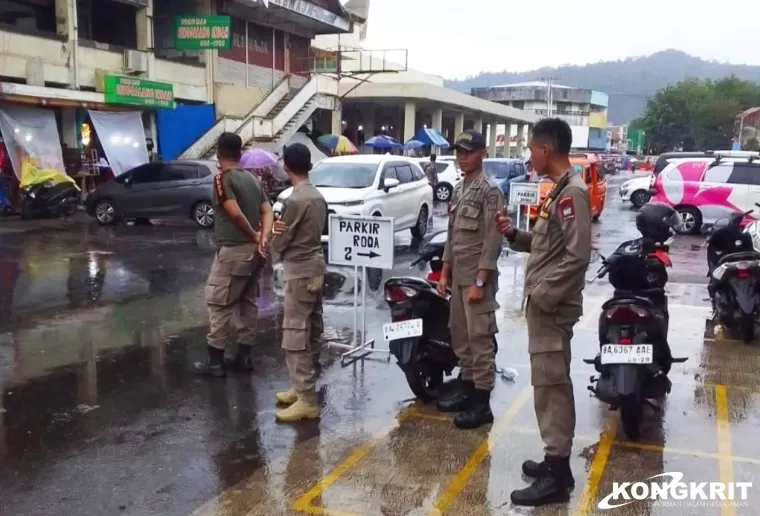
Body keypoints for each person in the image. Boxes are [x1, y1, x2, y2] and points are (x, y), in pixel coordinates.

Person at [495, 118, 592, 506]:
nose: (529, 155)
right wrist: (513, 235)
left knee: (552, 386)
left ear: (546, 150)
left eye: (532, 148)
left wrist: (543, 296)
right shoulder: (559, 191)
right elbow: (546, 244)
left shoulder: (574, 193)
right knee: (546, 383)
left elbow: (576, 255)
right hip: (545, 305)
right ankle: (556, 461)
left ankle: (557, 471)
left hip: (552, 307)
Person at [435, 130, 505, 429]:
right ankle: (466, 390)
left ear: (482, 153)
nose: (462, 156)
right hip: (459, 278)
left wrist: (480, 282)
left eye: (468, 151)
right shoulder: (461, 187)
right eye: (459, 151)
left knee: (480, 342)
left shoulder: (490, 191)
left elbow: (493, 241)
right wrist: (444, 273)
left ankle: (481, 404)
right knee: (461, 339)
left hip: (478, 280)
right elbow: (452, 237)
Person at [194, 132, 274, 377]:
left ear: (218, 153)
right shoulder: (252, 180)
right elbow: (268, 210)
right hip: (254, 253)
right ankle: (244, 355)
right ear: (240, 153)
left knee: (219, 303)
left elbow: (234, 212)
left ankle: (215, 362)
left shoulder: (222, 179)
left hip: (232, 251)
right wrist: (262, 238)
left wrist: (252, 235)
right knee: (246, 302)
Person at [270, 143, 327, 422]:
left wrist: (271, 235)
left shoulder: (294, 200)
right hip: (316, 267)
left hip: (299, 271)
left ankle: (306, 398)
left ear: (287, 167)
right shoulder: (317, 196)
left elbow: (281, 239)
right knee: (313, 329)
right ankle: (303, 387)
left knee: (295, 333)